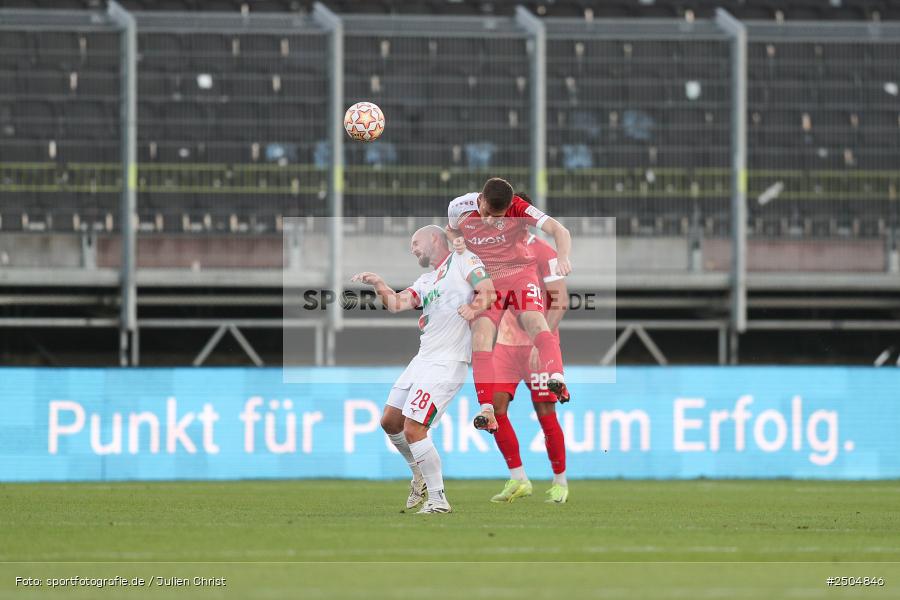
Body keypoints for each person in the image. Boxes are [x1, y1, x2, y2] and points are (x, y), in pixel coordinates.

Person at [352, 225, 494, 514]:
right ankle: (419, 474)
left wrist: (475, 307)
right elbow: (396, 303)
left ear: (433, 239)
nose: (412, 248)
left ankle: (439, 500)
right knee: (390, 421)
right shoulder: (427, 279)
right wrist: (379, 283)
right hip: (423, 360)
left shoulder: (463, 259)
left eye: (415, 242)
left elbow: (488, 290)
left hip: (447, 362)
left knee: (414, 428)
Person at [446, 178, 573, 434]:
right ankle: (486, 409)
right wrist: (455, 240)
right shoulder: (459, 206)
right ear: (480, 199)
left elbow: (560, 230)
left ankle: (557, 378)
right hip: (487, 281)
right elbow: (449, 230)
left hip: (518, 274)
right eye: (488, 215)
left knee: (535, 322)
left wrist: (563, 258)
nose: (492, 221)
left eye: (499, 217)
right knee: (480, 336)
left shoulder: (520, 208)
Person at [489, 233, 570, 504]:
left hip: (537, 347)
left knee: (546, 414)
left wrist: (541, 340)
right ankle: (518, 478)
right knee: (494, 409)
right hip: (505, 346)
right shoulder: (493, 249)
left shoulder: (545, 252)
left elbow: (560, 301)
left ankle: (560, 483)